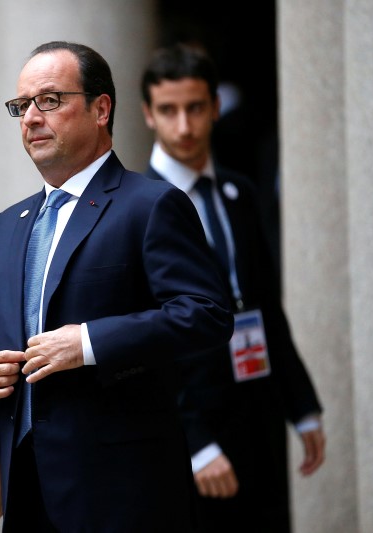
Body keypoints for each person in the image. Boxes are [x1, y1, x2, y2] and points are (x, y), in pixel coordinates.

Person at [0, 41, 234, 532]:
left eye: (49, 100)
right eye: (22, 106)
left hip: (122, 491)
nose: (31, 118)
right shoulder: (8, 223)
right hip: (27, 485)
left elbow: (205, 314)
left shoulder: (151, 205)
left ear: (101, 108)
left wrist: (88, 342)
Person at [139, 43, 325, 532]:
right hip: (191, 430)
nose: (184, 126)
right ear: (147, 115)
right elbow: (147, 343)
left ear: (216, 108)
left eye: (196, 108)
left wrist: (301, 405)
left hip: (258, 414)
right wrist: (196, 441)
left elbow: (265, 303)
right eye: (169, 110)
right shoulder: (137, 208)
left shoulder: (239, 191)